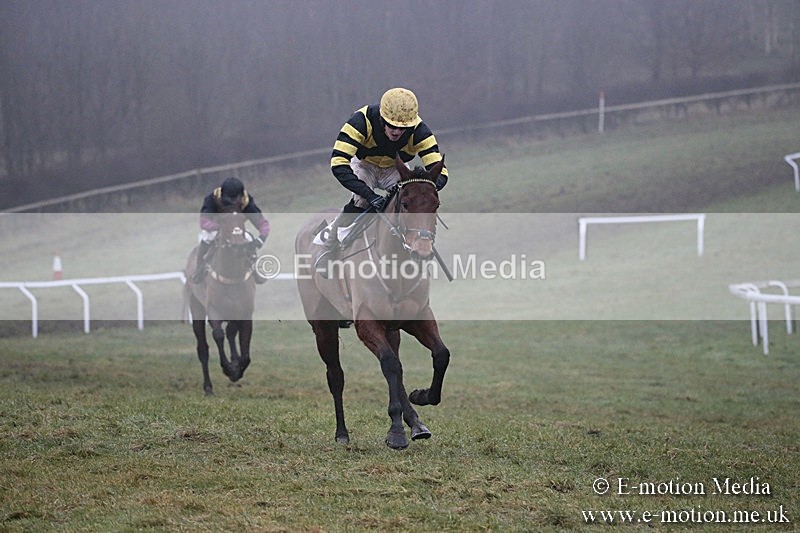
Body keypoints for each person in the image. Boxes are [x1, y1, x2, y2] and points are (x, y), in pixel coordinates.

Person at [320, 87, 449, 256]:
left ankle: (416, 242)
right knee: (362, 201)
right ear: (382, 119)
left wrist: (422, 191)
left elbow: (441, 172)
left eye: (403, 128)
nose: (396, 132)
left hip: (394, 168)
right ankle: (329, 246)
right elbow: (338, 164)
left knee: (409, 202)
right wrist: (370, 195)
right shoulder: (360, 121)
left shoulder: (420, 131)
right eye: (392, 126)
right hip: (364, 165)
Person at [191, 177, 271, 284]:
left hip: (236, 227)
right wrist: (220, 227)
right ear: (223, 195)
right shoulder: (212, 199)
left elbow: (262, 223)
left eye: (236, 199)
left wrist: (261, 238)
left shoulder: (246, 201)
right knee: (207, 238)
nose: (233, 203)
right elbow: (204, 222)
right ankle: (199, 269)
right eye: (230, 200)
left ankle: (254, 269)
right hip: (216, 226)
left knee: (248, 237)